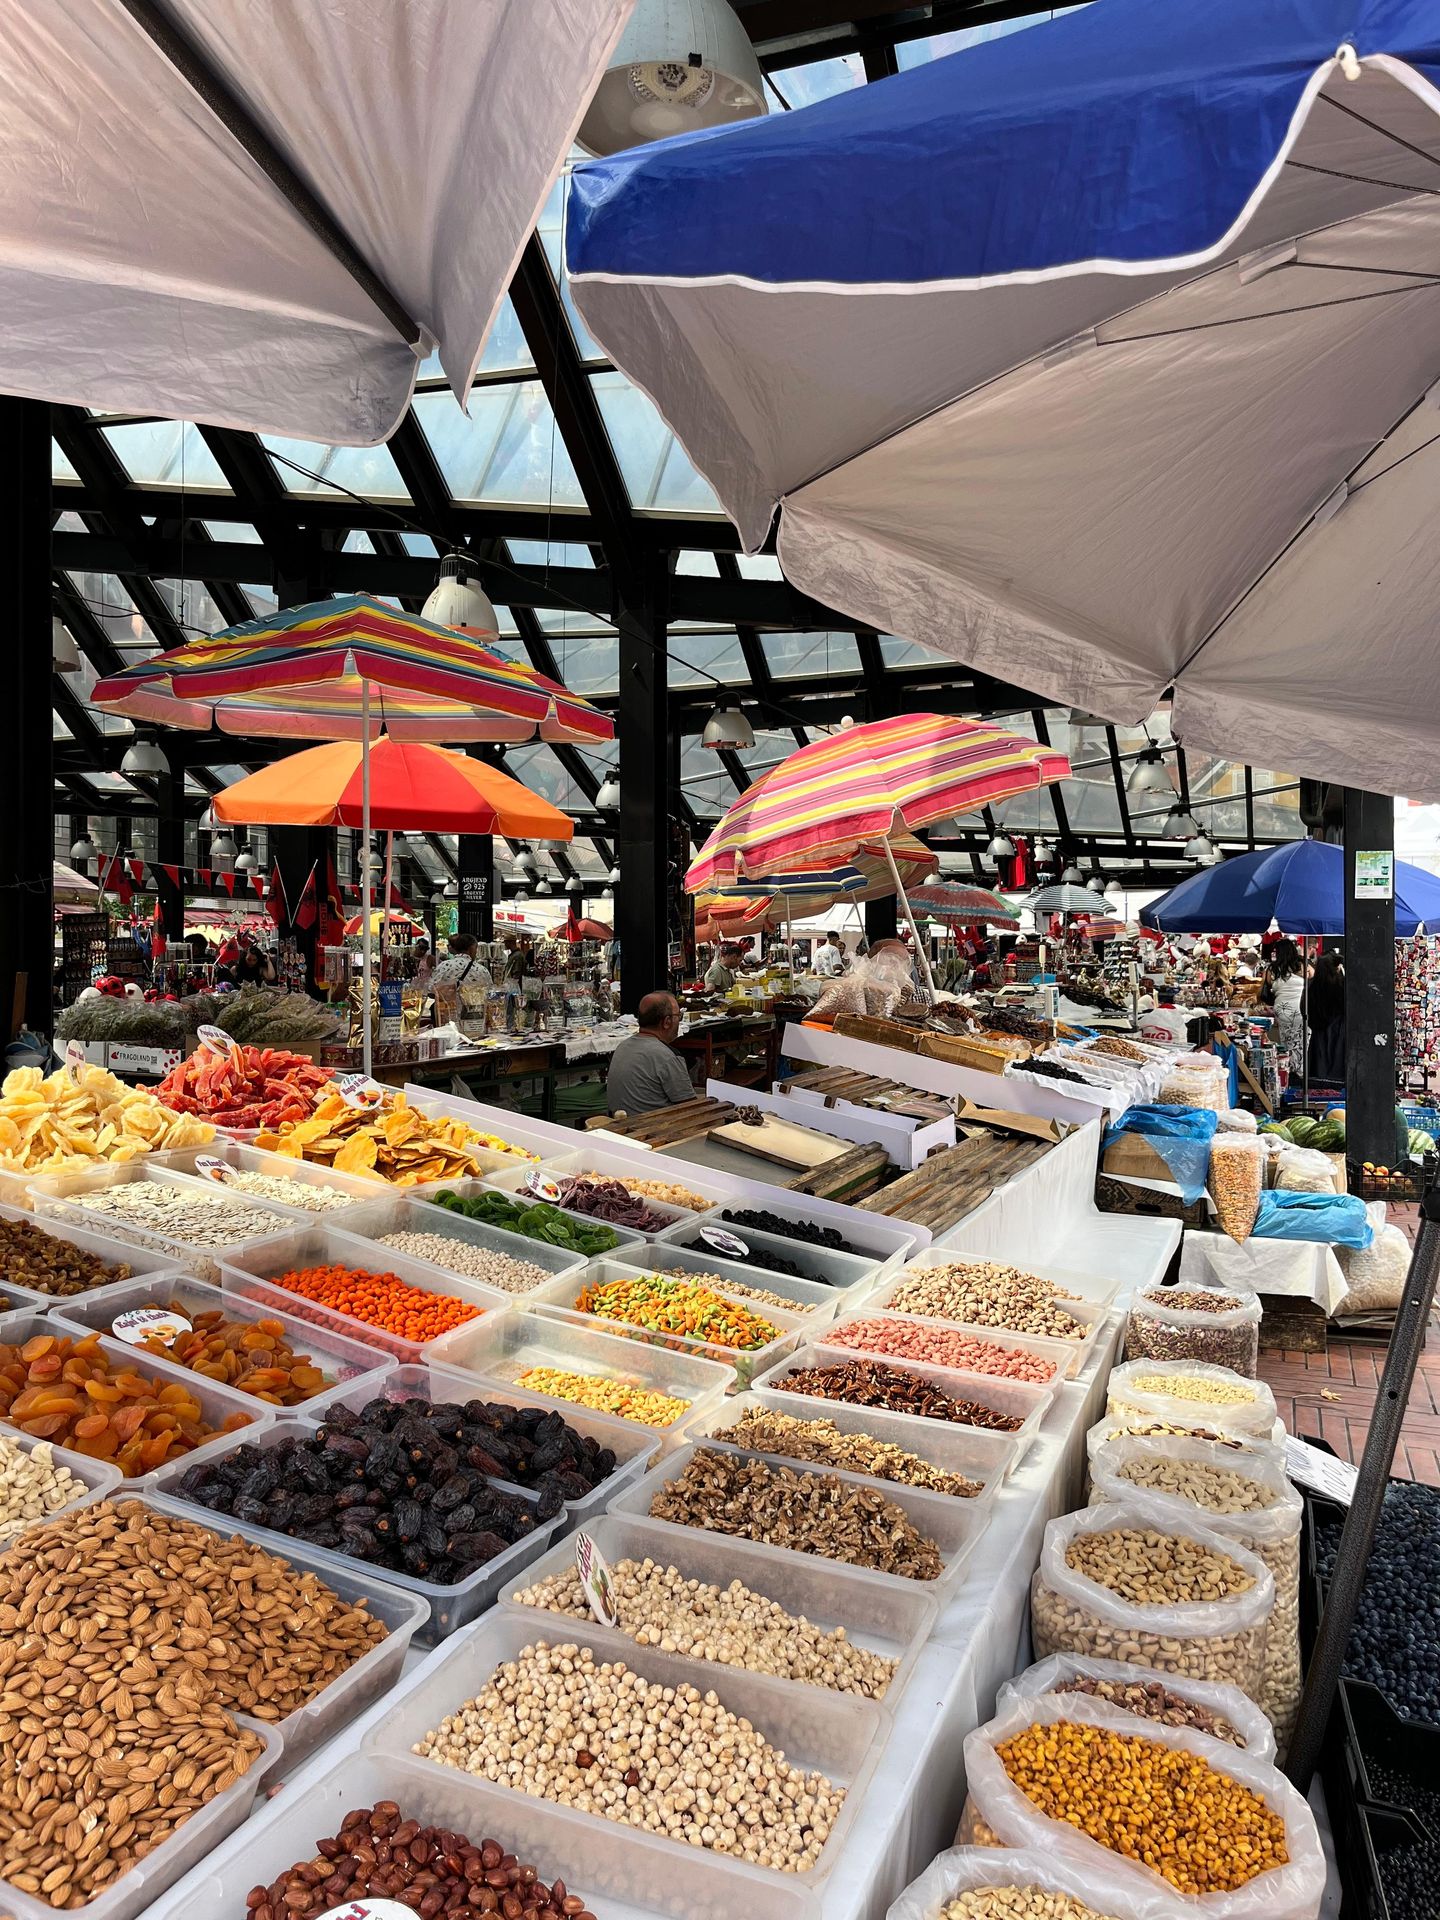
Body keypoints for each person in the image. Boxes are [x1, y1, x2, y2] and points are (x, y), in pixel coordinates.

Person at [607, 992, 695, 1115]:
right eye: (678, 1016)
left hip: (622, 1124)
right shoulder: (667, 1056)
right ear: (667, 1022)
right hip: (652, 1128)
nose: (679, 1021)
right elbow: (689, 1108)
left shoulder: (623, 1046)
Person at [1262, 936, 1306, 1080]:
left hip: (1282, 1009)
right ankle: (1300, 1072)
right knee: (1301, 1040)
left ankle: (1288, 1070)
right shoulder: (1301, 965)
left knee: (1286, 1040)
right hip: (1301, 1007)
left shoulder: (1272, 969)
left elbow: (1267, 985)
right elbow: (1313, 977)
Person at [431, 933, 493, 1020]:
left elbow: (431, 991)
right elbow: (489, 995)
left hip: (447, 1018)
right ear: (471, 948)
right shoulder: (482, 970)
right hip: (474, 1020)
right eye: (476, 948)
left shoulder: (443, 966)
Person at [1307, 949, 1346, 1084]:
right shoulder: (1342, 985)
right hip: (1339, 1032)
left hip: (1318, 1032)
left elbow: (1304, 1009)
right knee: (1336, 1066)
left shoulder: (1312, 986)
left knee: (1320, 1067)